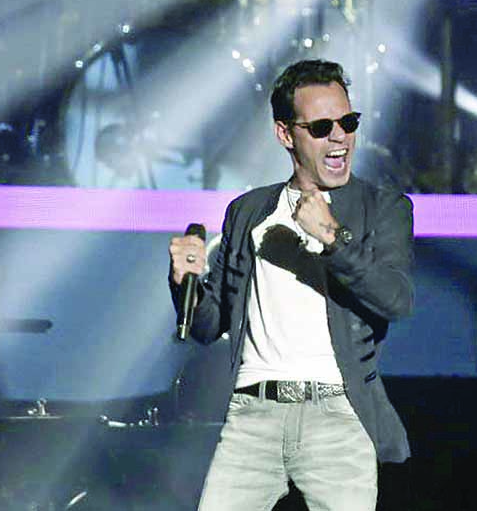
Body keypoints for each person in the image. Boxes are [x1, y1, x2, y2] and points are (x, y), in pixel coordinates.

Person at [168, 59, 414, 510]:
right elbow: (208, 325)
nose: (339, 137)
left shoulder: (382, 208)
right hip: (253, 416)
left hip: (338, 416)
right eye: (321, 127)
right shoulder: (248, 211)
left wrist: (333, 237)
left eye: (348, 122)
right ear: (285, 134)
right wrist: (184, 280)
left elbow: (396, 299)